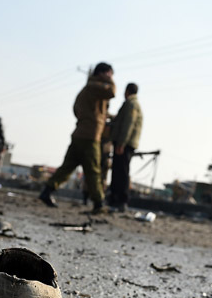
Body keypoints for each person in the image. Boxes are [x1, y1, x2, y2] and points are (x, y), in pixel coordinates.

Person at [39, 62, 116, 213]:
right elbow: (112, 92)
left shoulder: (87, 88)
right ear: (103, 73)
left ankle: (46, 191)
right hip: (90, 136)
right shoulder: (96, 87)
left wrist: (88, 119)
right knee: (93, 170)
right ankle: (99, 203)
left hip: (79, 134)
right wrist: (109, 79)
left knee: (66, 168)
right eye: (110, 74)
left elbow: (77, 109)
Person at [108, 83, 143, 211]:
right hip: (124, 142)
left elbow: (128, 124)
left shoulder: (131, 104)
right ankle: (115, 199)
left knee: (121, 172)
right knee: (118, 170)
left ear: (127, 91)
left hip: (125, 143)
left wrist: (121, 143)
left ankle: (121, 200)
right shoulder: (131, 104)